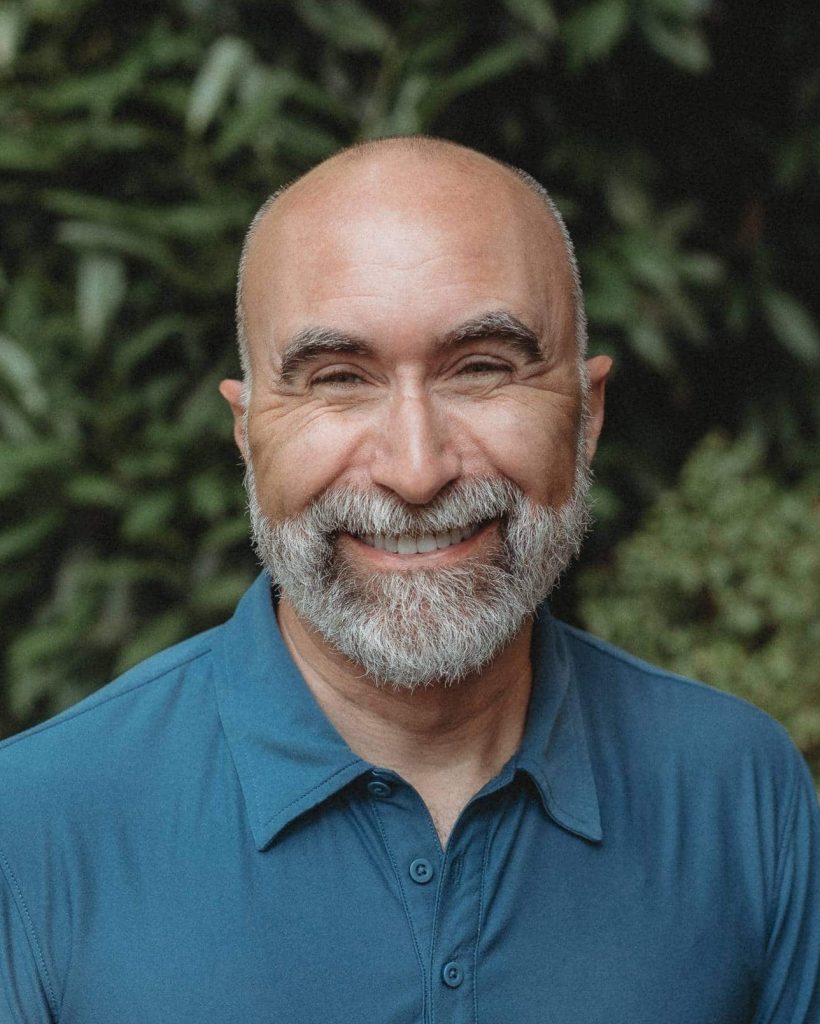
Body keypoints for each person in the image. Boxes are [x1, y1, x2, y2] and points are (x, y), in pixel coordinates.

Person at [0, 137, 817, 1024]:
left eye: (483, 369)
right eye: (338, 380)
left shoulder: (740, 790)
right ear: (249, 433)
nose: (418, 470)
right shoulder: (34, 827)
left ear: (587, 418)